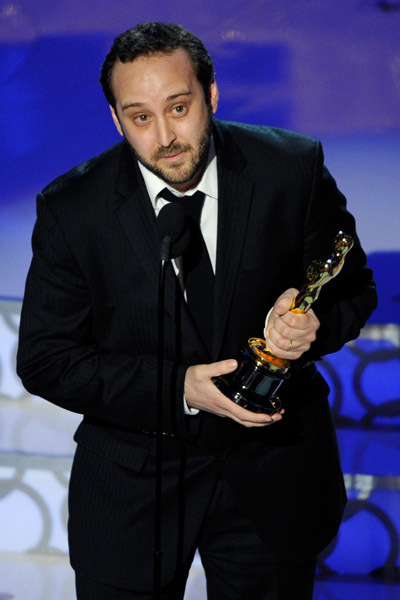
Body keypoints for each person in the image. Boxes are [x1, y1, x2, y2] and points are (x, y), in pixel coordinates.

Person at [17, 22, 377, 600]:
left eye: (179, 107)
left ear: (210, 95)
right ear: (115, 119)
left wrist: (313, 325)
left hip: (273, 479)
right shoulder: (72, 209)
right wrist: (179, 387)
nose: (165, 136)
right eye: (139, 118)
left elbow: (353, 288)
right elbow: (46, 359)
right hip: (134, 491)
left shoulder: (291, 168)